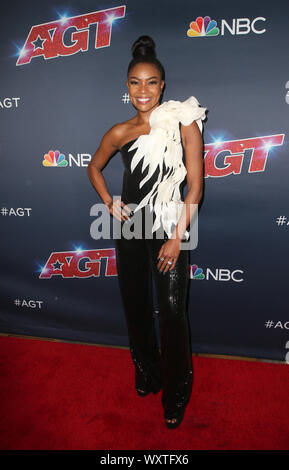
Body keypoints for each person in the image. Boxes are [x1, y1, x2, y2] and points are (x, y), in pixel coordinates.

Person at [87, 35, 206, 428]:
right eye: (135, 82)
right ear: (127, 87)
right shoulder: (120, 131)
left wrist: (176, 236)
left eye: (151, 82)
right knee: (135, 305)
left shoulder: (182, 118)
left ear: (162, 85)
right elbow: (93, 166)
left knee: (173, 312)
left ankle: (176, 392)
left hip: (172, 223)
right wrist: (108, 201)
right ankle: (147, 370)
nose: (143, 90)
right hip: (131, 226)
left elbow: (196, 187)